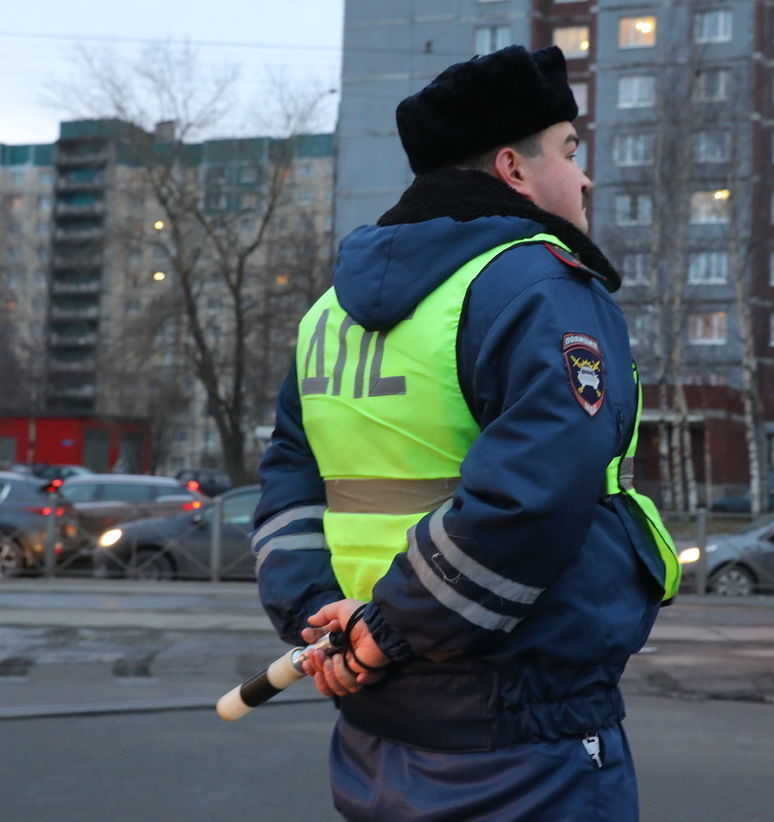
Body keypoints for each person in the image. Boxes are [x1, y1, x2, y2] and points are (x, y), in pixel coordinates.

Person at [251, 44, 680, 821]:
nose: (585, 177)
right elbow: (536, 494)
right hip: (521, 728)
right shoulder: (538, 284)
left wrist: (325, 622)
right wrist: (385, 628)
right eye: (570, 152)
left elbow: (289, 483)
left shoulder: (327, 314)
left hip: (373, 721)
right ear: (514, 169)